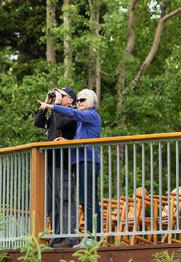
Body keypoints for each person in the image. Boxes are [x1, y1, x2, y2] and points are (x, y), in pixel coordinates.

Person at [40, 88, 101, 249]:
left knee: (89, 200)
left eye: (83, 100)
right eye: (79, 100)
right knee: (84, 199)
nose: (80, 103)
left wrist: (53, 106)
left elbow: (71, 115)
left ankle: (93, 237)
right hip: (79, 161)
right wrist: (67, 140)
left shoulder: (91, 115)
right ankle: (89, 236)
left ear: (92, 102)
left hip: (88, 160)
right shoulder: (82, 121)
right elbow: (79, 139)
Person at [34, 87, 78, 248]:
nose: (58, 98)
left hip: (64, 162)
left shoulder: (72, 113)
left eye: (62, 96)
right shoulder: (56, 113)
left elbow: (60, 123)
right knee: (52, 201)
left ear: (70, 100)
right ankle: (58, 235)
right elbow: (38, 122)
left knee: (65, 198)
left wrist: (57, 105)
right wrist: (46, 104)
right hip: (51, 162)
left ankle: (70, 237)